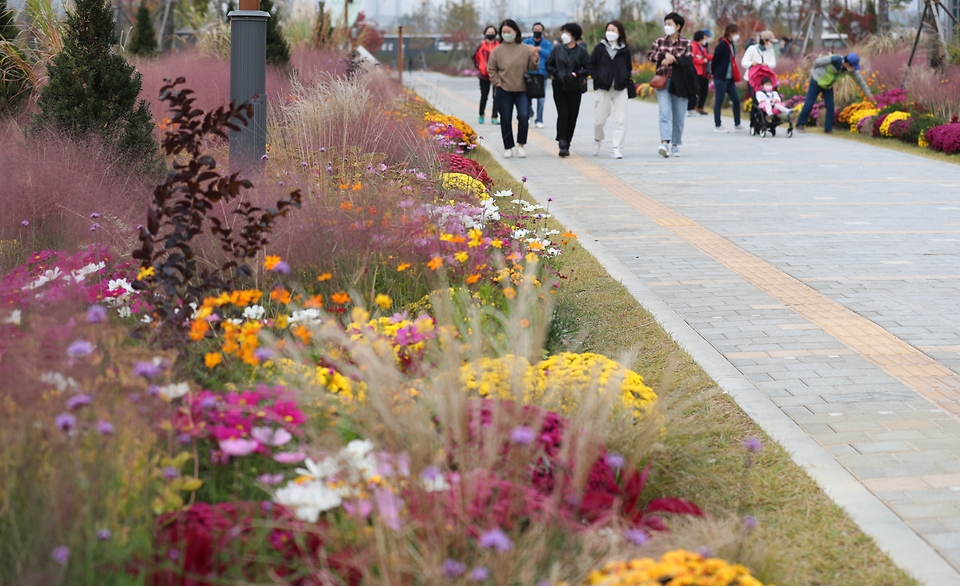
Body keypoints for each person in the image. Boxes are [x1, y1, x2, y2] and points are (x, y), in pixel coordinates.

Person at [487, 19, 540, 158]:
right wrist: (497, 82)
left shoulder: (524, 49)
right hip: (504, 89)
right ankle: (508, 147)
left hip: (522, 89)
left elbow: (533, 67)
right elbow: (491, 68)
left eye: (508, 32)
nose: (506, 34)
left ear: (515, 32)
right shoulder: (497, 51)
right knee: (505, 119)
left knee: (523, 116)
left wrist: (535, 56)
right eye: (503, 32)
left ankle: (521, 145)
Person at [648, 12, 694, 158]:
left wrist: (674, 59)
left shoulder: (686, 43)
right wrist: (662, 56)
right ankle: (665, 143)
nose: (666, 27)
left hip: (681, 83)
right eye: (666, 24)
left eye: (670, 24)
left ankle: (675, 144)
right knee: (664, 113)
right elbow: (651, 55)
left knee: (679, 116)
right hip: (663, 81)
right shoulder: (660, 41)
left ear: (678, 26)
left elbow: (689, 60)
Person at [586, 20, 632, 159]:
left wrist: (624, 77)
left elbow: (628, 67)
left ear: (619, 33)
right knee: (600, 120)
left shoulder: (624, 50)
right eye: (609, 29)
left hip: (620, 88)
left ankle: (616, 147)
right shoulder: (600, 48)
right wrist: (598, 76)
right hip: (603, 88)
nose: (610, 32)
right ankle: (597, 139)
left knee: (620, 120)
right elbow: (591, 65)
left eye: (614, 30)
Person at [796, 53, 873, 134]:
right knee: (809, 103)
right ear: (847, 63)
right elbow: (818, 62)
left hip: (828, 86)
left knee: (830, 106)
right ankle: (800, 125)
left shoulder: (849, 69)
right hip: (816, 82)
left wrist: (868, 93)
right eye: (852, 66)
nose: (853, 68)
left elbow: (860, 80)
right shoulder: (834, 59)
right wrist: (814, 72)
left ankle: (828, 129)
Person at [545, 22, 589, 157]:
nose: (564, 35)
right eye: (563, 32)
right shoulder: (557, 49)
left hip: (575, 87)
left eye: (567, 33)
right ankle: (562, 142)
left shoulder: (582, 52)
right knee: (563, 114)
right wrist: (556, 74)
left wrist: (578, 74)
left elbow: (589, 67)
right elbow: (548, 64)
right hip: (559, 86)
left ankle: (567, 141)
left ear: (574, 35)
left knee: (572, 116)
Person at [712, 23, 744, 133]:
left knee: (736, 99)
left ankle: (737, 123)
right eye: (735, 33)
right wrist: (713, 73)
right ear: (730, 33)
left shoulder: (731, 44)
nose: (737, 35)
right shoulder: (722, 45)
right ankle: (717, 124)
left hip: (730, 78)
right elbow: (715, 60)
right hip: (721, 77)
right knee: (719, 100)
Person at [523, 22, 553, 129]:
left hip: (541, 75)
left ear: (543, 31)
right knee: (527, 97)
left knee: (541, 99)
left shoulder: (547, 44)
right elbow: (521, 51)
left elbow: (551, 54)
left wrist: (540, 50)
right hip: (529, 74)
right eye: (535, 30)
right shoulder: (527, 42)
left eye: (539, 30)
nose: (537, 32)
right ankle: (530, 114)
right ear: (532, 31)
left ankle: (539, 119)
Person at [473, 26, 500, 125]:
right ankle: (481, 114)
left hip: (496, 75)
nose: (490, 34)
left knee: (496, 96)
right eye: (488, 32)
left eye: (492, 32)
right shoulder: (481, 45)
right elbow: (475, 58)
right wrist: (479, 67)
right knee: (484, 96)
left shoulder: (499, 45)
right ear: (485, 34)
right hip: (484, 75)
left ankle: (494, 116)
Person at [687, 30, 712, 116]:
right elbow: (693, 59)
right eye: (704, 38)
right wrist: (702, 61)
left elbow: (707, 56)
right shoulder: (694, 46)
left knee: (703, 91)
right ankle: (690, 108)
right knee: (695, 90)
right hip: (696, 72)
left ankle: (699, 107)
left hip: (703, 72)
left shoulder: (702, 48)